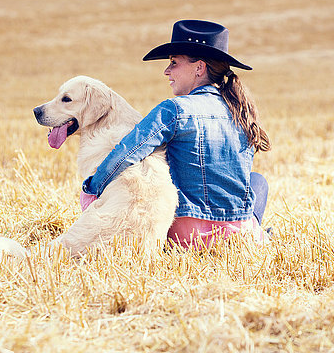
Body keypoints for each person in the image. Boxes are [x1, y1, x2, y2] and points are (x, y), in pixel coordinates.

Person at [81, 20, 271, 250]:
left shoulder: (174, 109)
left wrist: (92, 189)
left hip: (185, 235)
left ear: (199, 68)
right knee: (257, 181)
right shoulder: (242, 112)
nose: (166, 71)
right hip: (237, 235)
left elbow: (127, 151)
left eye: (173, 63)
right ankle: (259, 234)